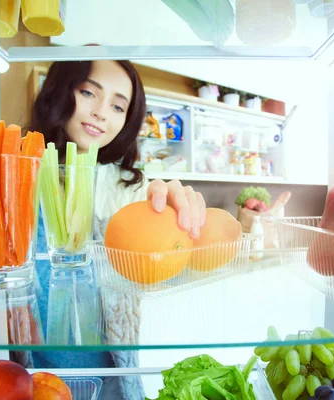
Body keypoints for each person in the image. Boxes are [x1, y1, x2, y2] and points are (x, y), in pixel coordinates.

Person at [28, 60, 206, 399]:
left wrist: (176, 212)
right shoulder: (19, 170)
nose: (100, 112)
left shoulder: (131, 188)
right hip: (31, 375)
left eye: (117, 105)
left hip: (110, 376)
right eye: (87, 92)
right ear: (59, 90)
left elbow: (165, 263)